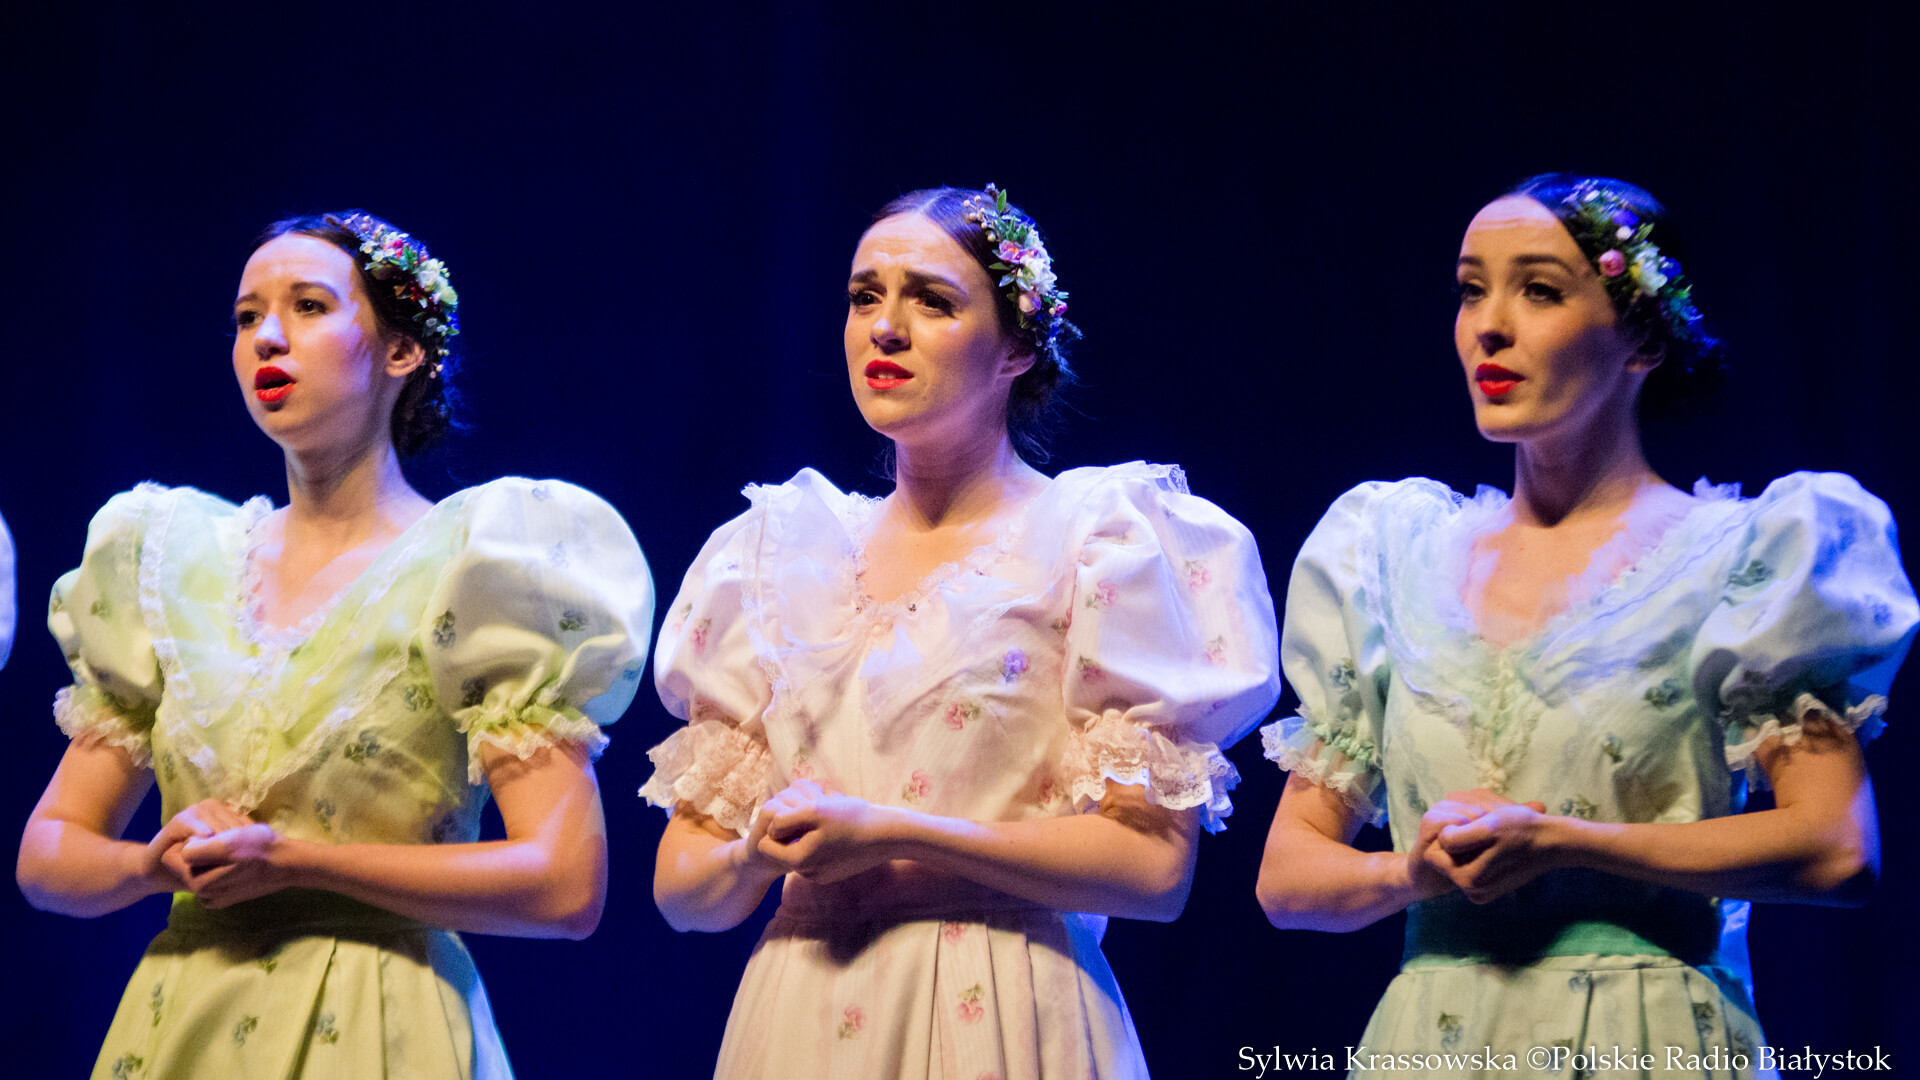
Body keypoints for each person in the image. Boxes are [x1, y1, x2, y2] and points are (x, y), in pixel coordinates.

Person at [1255, 173, 1918, 1077]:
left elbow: (1836, 848)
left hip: (1647, 1038)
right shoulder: (1389, 557)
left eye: (1538, 290)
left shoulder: (1742, 557)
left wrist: (1567, 844)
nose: (1490, 326)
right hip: (1435, 1042)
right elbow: (1288, 878)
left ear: (1642, 337)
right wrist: (1410, 873)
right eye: (1471, 290)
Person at [641, 184, 1280, 1078]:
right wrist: (753, 854)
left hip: (1005, 1005)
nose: (885, 328)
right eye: (865, 296)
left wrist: (897, 833)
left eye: (932, 301)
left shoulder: (1094, 543)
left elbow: (1151, 871)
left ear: (1018, 346)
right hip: (804, 1015)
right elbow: (682, 893)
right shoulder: (780, 554)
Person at [16, 211, 654, 1079]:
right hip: (186, 1024)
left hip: (378, 1023)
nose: (267, 337)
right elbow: (48, 853)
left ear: (402, 351)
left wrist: (297, 863)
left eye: (308, 306)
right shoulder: (168, 561)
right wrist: (151, 865)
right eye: (247, 316)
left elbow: (564, 883)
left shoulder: (474, 568)